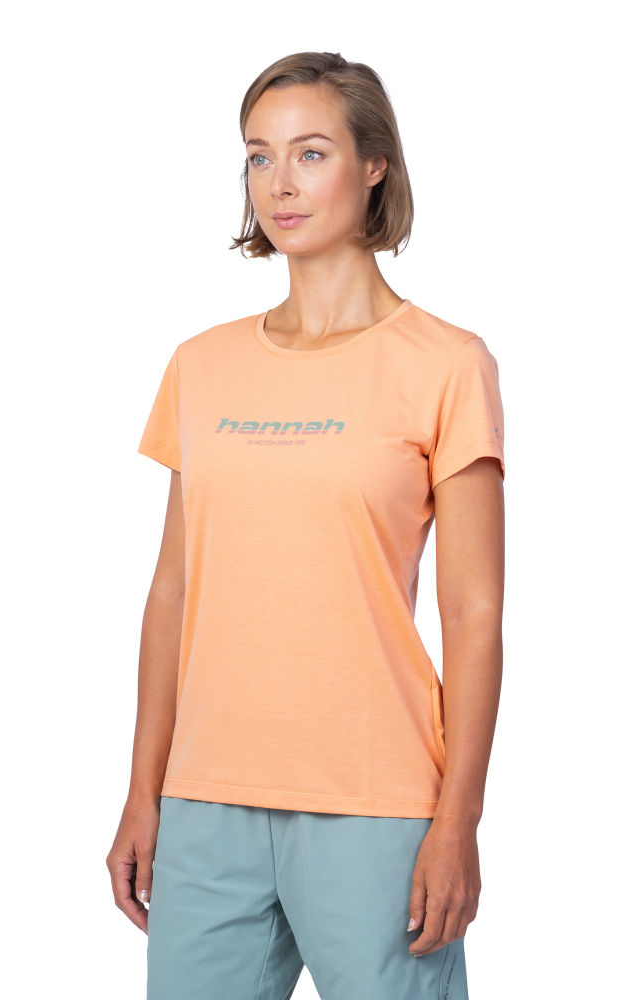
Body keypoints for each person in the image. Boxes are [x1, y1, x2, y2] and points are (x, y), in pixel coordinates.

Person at [106, 50, 505, 1000]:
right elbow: (172, 593)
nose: (279, 183)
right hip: (205, 800)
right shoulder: (202, 365)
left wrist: (458, 821)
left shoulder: (445, 363)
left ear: (373, 165)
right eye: (259, 156)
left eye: (310, 153)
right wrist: (142, 790)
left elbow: (475, 615)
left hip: (374, 798)